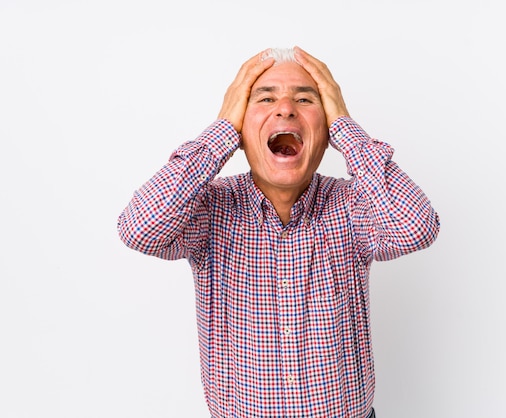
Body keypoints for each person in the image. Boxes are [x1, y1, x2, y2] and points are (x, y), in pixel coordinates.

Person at [118, 46, 440, 418]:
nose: (285, 108)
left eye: (305, 99)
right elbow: (139, 229)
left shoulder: (352, 206)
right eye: (265, 97)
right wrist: (220, 131)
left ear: (326, 131)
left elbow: (416, 227)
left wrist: (347, 129)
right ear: (240, 129)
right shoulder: (210, 208)